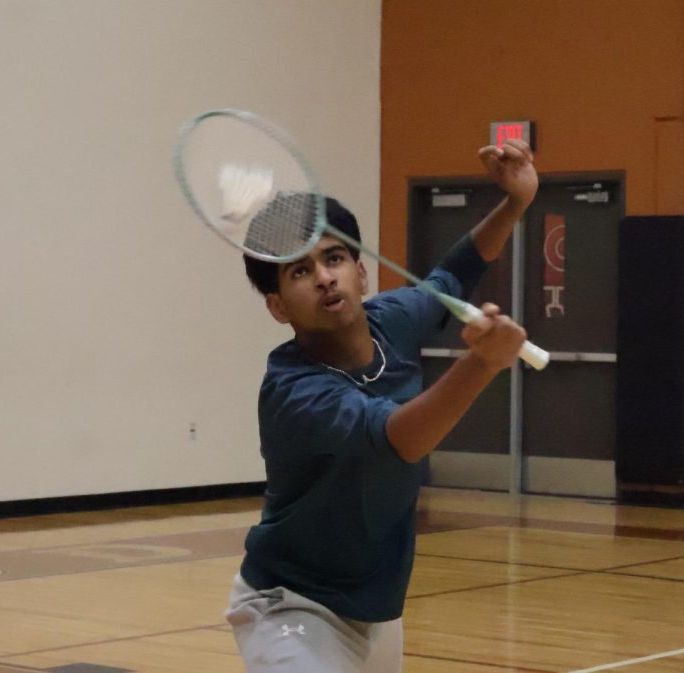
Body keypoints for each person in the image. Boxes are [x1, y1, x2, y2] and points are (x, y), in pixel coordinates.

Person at [225, 138, 538, 672]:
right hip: (293, 607)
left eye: (335, 257)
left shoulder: (392, 318)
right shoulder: (293, 390)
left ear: (361, 273)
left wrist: (515, 204)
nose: (325, 276)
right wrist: (481, 364)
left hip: (377, 610)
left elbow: (451, 277)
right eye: (300, 271)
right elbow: (400, 439)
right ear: (277, 307)